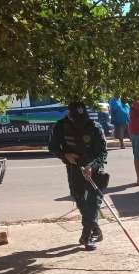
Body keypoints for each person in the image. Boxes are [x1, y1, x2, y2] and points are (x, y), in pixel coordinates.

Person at [49, 101, 108, 251]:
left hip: (93, 169)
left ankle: (86, 236)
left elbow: (102, 153)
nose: (80, 123)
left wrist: (92, 166)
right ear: (70, 115)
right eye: (77, 119)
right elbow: (53, 147)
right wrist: (65, 155)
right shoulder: (61, 126)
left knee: (93, 202)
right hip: (74, 168)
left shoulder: (94, 127)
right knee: (80, 199)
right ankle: (95, 229)